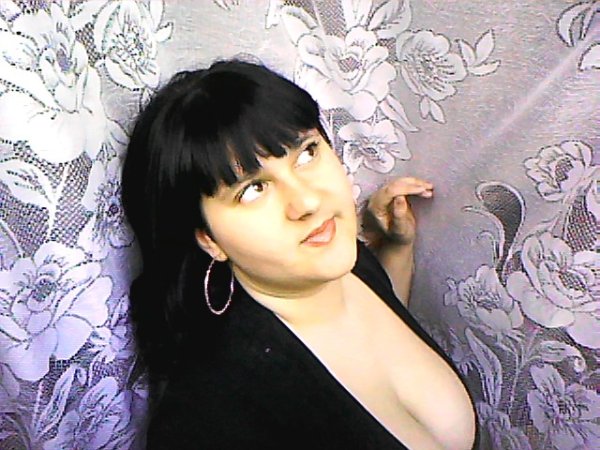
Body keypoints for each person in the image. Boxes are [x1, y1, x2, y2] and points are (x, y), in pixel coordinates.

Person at [121, 59, 477, 449]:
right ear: (209, 240)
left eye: (307, 154)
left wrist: (397, 247)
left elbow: (379, 333)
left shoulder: (346, 263)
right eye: (253, 190)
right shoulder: (209, 415)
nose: (307, 202)